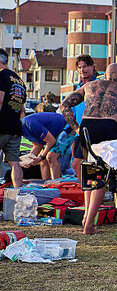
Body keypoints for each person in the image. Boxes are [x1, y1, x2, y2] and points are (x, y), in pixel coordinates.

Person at [60, 63, 117, 235]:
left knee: (89, 172)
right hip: (108, 127)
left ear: (105, 75)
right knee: (102, 177)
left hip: (87, 127)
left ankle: (86, 217)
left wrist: (76, 128)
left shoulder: (90, 86)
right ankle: (89, 224)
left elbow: (64, 105)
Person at [0, 49, 26, 188]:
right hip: (15, 127)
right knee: (14, 163)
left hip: (2, 125)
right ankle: (19, 193)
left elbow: (0, 100)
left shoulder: (1, 76)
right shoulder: (19, 80)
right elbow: (22, 109)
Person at [21, 112, 67, 180]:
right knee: (43, 161)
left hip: (65, 127)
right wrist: (29, 160)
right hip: (53, 134)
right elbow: (37, 145)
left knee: (51, 157)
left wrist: (41, 157)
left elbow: (51, 141)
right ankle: (46, 183)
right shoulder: (23, 130)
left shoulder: (30, 125)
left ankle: (56, 183)